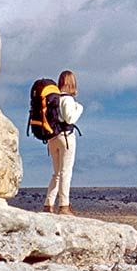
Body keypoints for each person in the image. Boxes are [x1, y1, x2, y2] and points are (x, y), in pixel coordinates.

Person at [44, 70, 83, 215]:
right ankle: (64, 206)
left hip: (52, 138)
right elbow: (70, 118)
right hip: (65, 137)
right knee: (65, 172)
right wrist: (80, 108)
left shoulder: (52, 99)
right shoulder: (67, 100)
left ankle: (48, 205)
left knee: (57, 173)